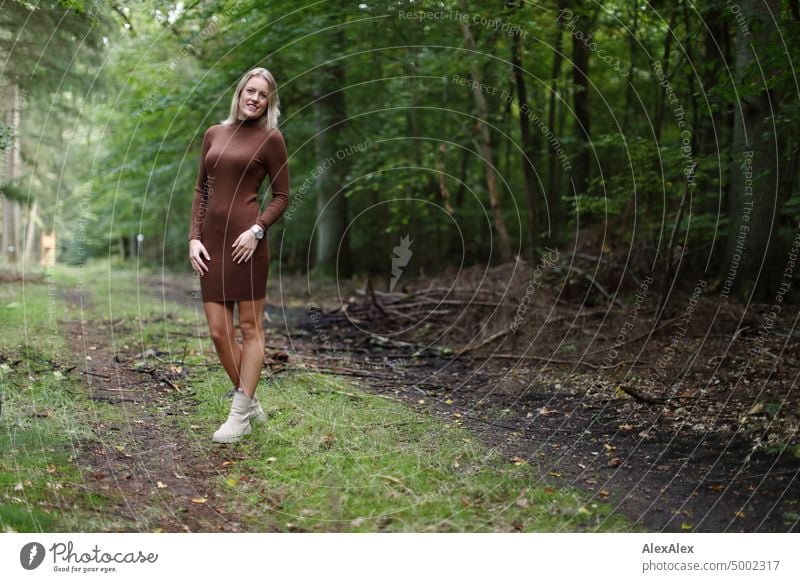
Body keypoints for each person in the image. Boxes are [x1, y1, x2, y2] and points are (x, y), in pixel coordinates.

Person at [187, 67, 290, 443]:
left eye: (263, 95)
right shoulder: (215, 133)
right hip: (211, 245)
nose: (255, 98)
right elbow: (202, 190)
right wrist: (192, 238)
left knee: (250, 328)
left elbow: (282, 196)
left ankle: (238, 414)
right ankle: (248, 401)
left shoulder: (270, 139)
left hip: (248, 244)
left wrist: (257, 230)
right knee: (218, 332)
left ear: (269, 102)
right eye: (250, 90)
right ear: (240, 92)